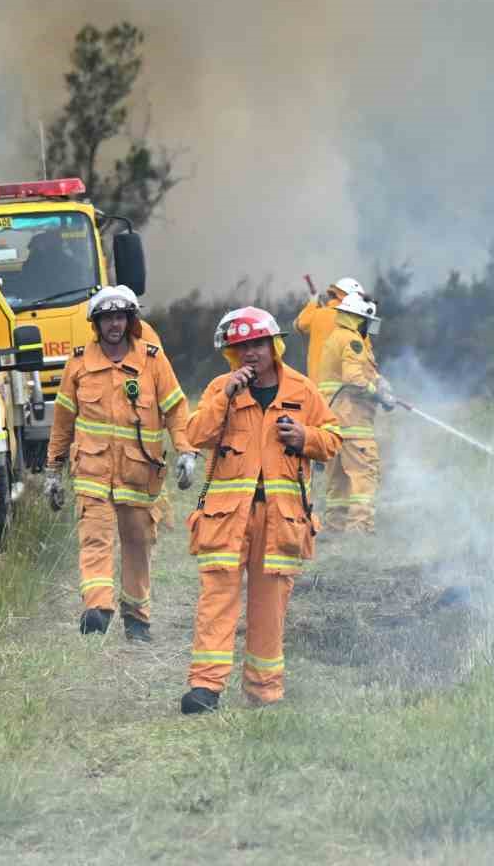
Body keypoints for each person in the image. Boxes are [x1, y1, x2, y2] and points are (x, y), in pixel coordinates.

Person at [176, 306, 341, 713]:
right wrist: (226, 397)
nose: (250, 353)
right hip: (226, 518)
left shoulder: (303, 390)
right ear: (232, 353)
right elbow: (194, 434)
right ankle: (205, 689)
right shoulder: (221, 389)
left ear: (274, 345)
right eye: (241, 346)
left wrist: (306, 436)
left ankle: (263, 692)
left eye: (257, 344)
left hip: (281, 519)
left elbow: (334, 439)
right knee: (217, 601)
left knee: (269, 610)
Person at [45, 286, 193, 640]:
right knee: (94, 539)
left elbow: (175, 408)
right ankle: (97, 608)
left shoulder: (152, 361)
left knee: (137, 545)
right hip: (93, 474)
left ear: (130, 320)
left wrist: (186, 450)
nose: (114, 324)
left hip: (139, 473)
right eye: (107, 317)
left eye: (120, 316)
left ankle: (137, 621)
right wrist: (53, 471)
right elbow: (63, 422)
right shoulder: (79, 364)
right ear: (96, 324)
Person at [317, 291, 394, 533]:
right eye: (367, 321)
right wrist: (379, 393)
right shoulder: (354, 341)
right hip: (353, 422)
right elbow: (353, 378)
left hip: (332, 421)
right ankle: (360, 528)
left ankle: (336, 526)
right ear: (359, 318)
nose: (369, 327)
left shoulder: (335, 338)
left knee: (337, 479)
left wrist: (379, 380)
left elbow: (349, 375)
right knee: (364, 474)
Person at [294, 275, 366, 385]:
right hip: (346, 392)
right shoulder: (357, 320)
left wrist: (313, 302)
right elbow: (366, 356)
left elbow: (300, 324)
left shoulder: (318, 314)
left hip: (316, 387)